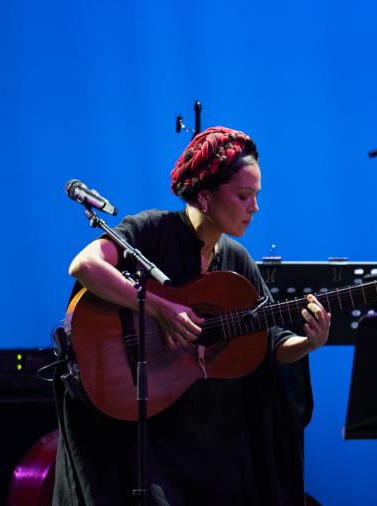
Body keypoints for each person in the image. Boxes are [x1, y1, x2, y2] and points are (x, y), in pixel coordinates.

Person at [53, 126, 331, 505]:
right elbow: (85, 265)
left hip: (204, 436)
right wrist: (160, 307)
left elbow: (272, 342)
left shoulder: (236, 260)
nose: (255, 207)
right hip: (141, 431)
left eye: (256, 196)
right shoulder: (153, 230)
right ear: (204, 197)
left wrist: (308, 343)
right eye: (244, 196)